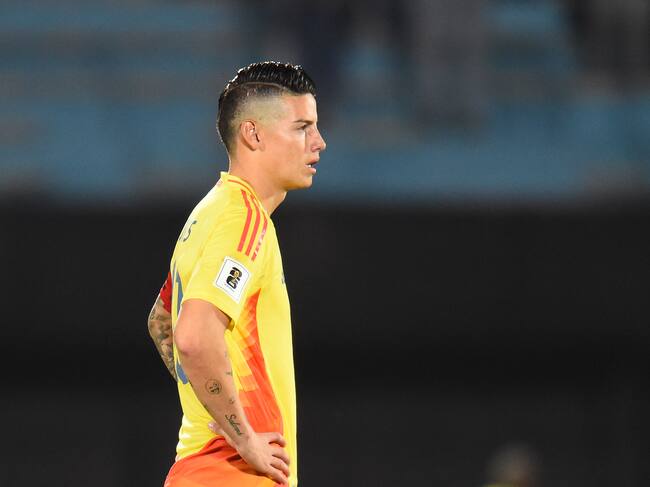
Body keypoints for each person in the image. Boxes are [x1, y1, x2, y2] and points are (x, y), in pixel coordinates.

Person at [147, 61, 326, 487]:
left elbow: (161, 321)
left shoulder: (207, 213)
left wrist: (211, 400)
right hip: (232, 472)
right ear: (253, 134)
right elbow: (192, 337)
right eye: (302, 127)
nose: (319, 141)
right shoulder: (245, 219)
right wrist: (242, 434)